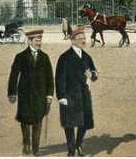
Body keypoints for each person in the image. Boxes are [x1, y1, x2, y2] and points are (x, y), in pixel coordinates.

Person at [8, 30, 54, 156]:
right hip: (25, 94)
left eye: (40, 40)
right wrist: (12, 93)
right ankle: (26, 142)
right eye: (37, 41)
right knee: (25, 120)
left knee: (38, 120)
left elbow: (50, 77)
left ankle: (36, 148)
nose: (39, 43)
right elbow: (14, 75)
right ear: (30, 41)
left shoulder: (45, 57)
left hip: (40, 95)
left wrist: (49, 95)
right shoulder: (20, 56)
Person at [55, 27, 98, 157]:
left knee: (84, 122)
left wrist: (92, 76)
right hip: (69, 94)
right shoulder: (64, 57)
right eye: (80, 39)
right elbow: (59, 77)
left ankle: (79, 144)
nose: (83, 41)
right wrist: (61, 96)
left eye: (84, 38)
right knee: (69, 123)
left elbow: (94, 73)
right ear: (73, 41)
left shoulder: (86, 56)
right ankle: (71, 148)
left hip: (84, 94)